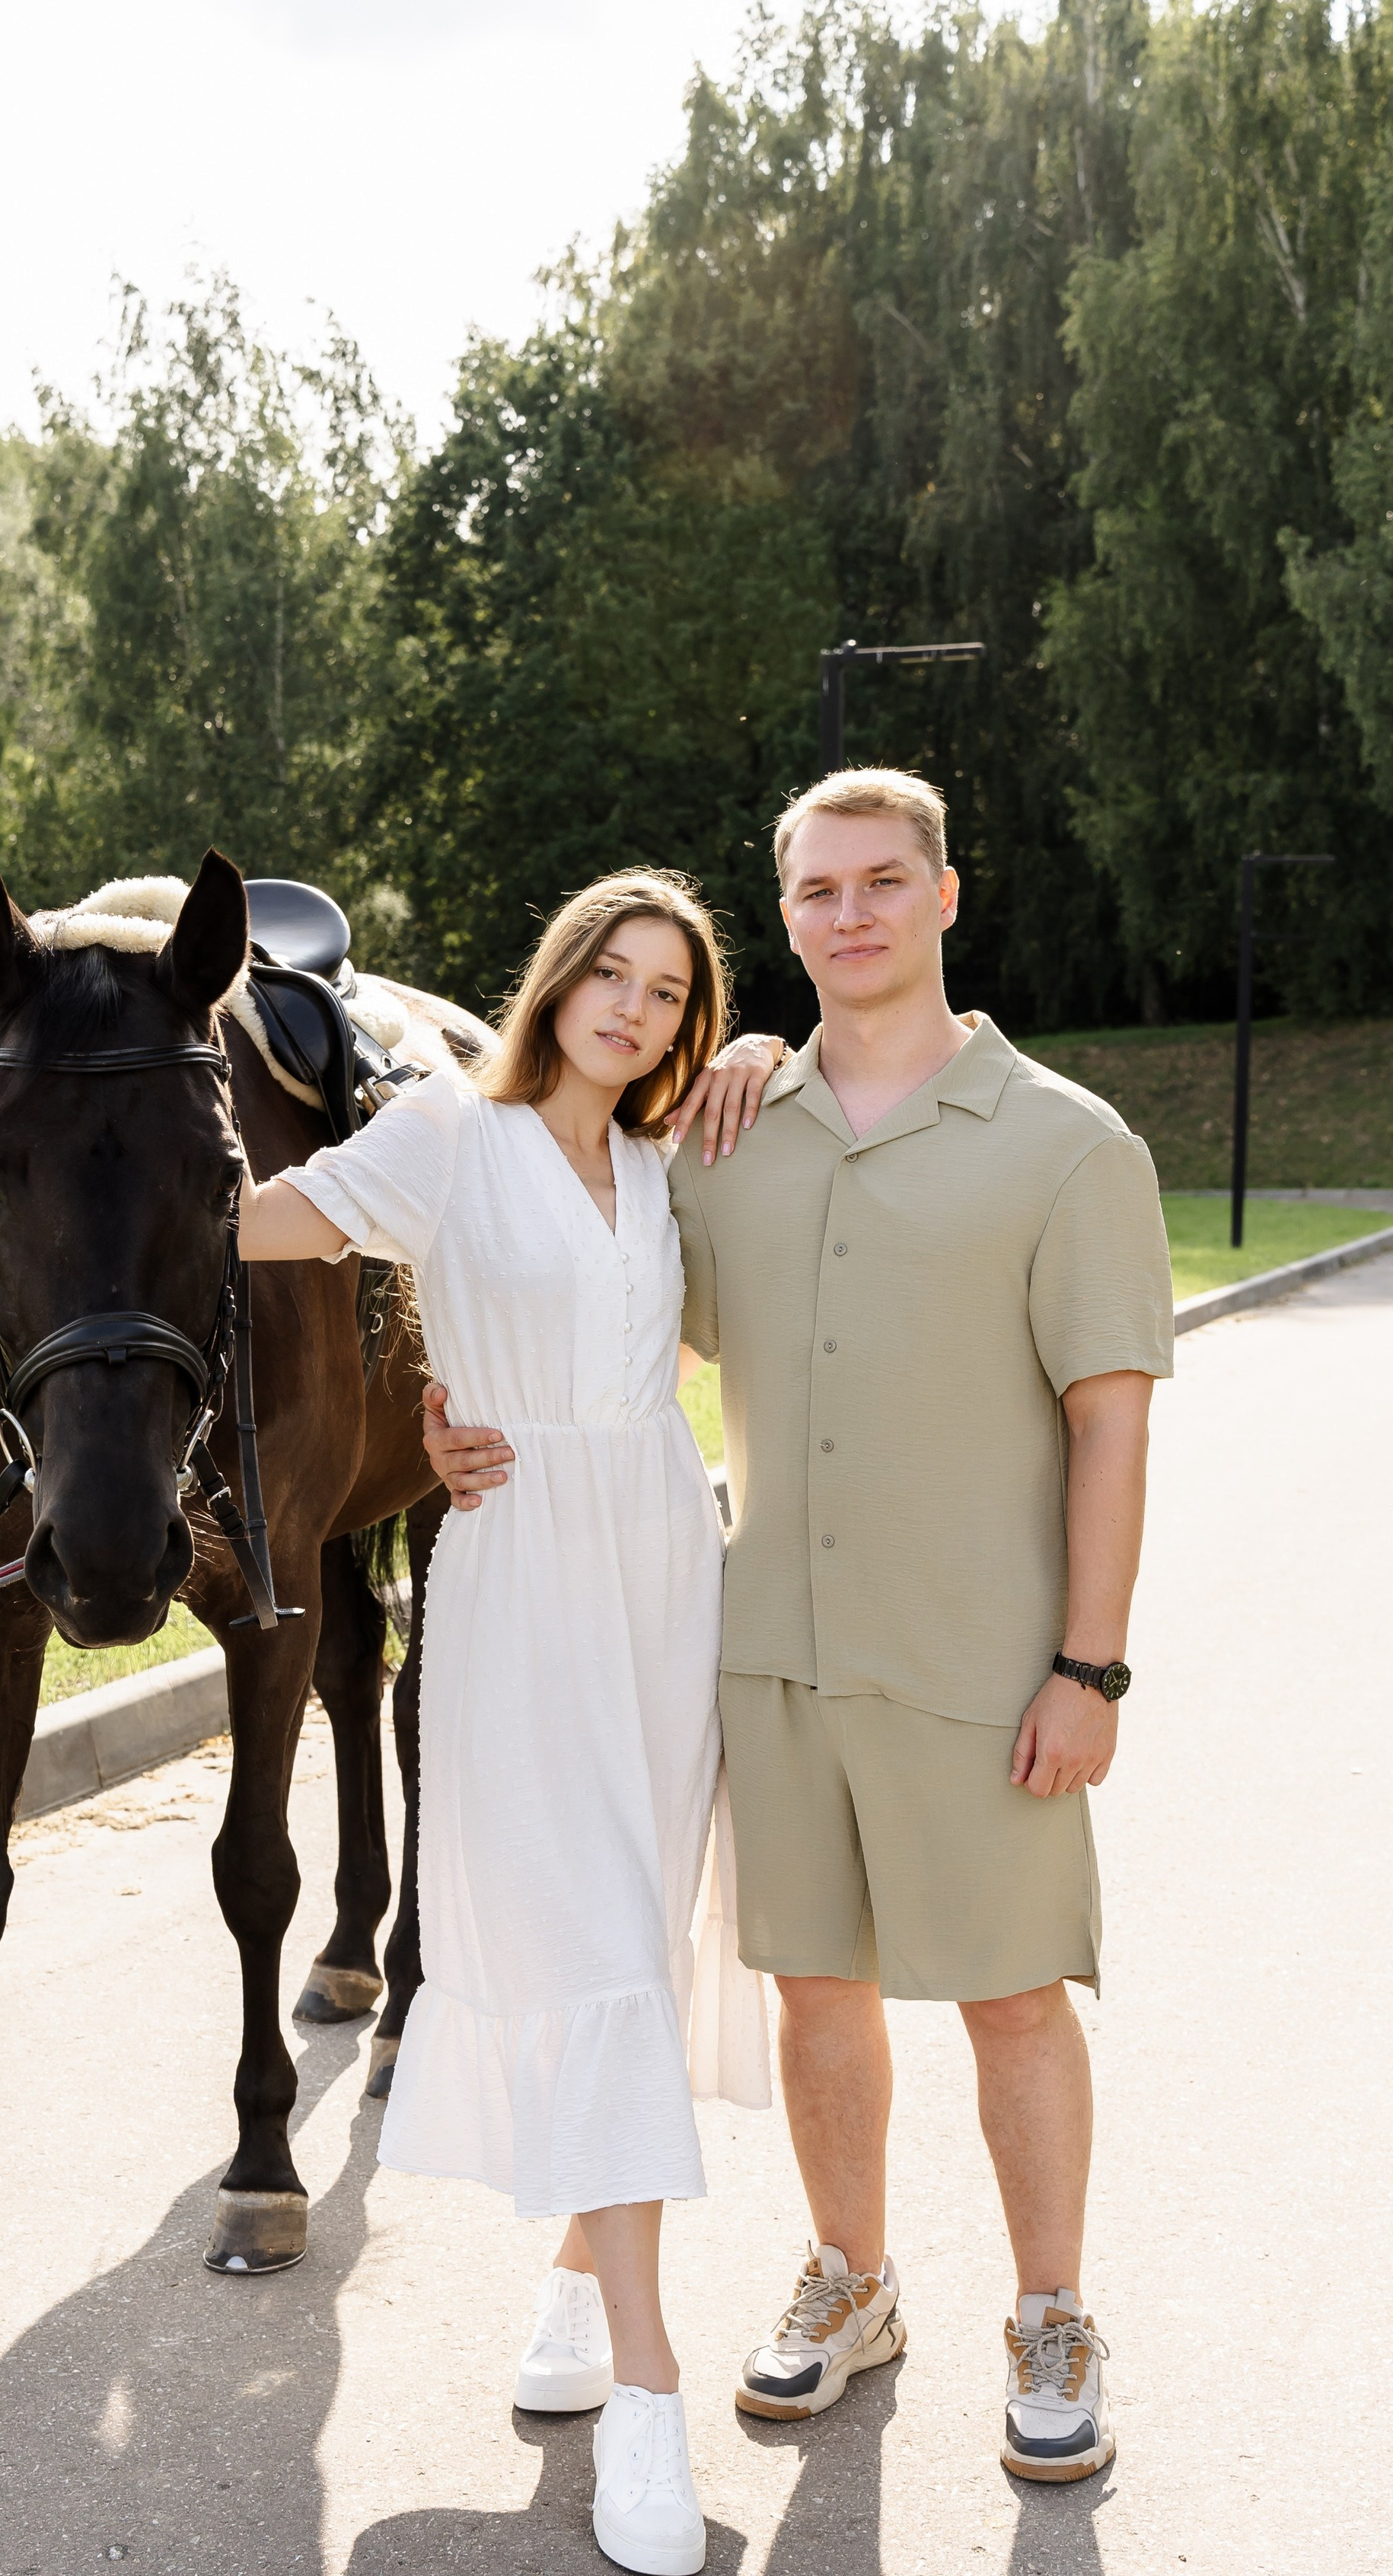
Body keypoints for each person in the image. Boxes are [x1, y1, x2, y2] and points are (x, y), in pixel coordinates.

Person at [426, 767, 1175, 2485]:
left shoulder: (1070, 1144)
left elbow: (1112, 1423)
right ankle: (853, 2281)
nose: (851, 913)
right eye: (819, 890)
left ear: (943, 895)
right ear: (785, 918)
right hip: (762, 1652)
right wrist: (435, 1411)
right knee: (815, 1994)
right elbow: (574, 1292)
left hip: (983, 1666)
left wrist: (1089, 1666)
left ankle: (1051, 2312)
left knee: (1010, 1999)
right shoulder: (725, 1137)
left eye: (881, 881)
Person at [234, 872, 779, 2575]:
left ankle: (572, 2284)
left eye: (667, 992)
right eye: (608, 973)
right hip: (522, 1565)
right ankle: (649, 2395)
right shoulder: (445, 1140)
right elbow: (246, 1227)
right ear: (554, 983)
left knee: (641, 1932)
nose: (632, 1007)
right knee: (591, 1939)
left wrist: (763, 1051)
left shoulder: (670, 1158)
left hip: (663, 1572)